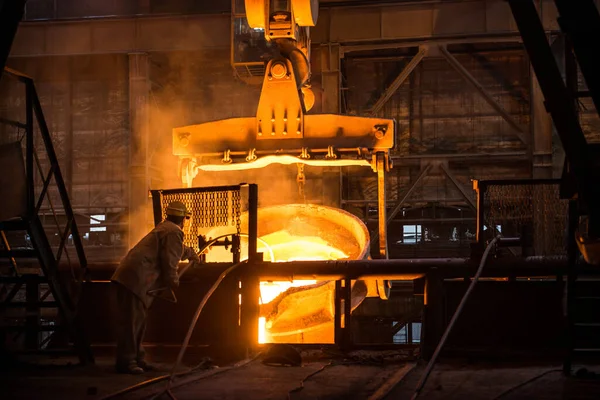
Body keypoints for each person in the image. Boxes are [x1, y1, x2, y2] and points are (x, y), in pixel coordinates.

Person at [111, 201, 200, 374]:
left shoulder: (165, 229)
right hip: (135, 279)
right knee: (132, 323)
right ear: (183, 218)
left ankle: (137, 358)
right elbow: (170, 261)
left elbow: (174, 250)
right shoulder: (174, 231)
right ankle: (127, 362)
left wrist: (190, 253)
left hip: (135, 278)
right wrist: (173, 281)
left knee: (138, 322)